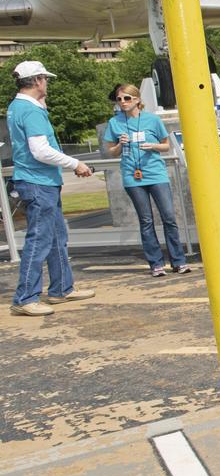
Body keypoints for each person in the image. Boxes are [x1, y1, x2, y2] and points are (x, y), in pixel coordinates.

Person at [8, 60, 95, 316]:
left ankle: (61, 288)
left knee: (57, 237)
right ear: (37, 81)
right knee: (41, 240)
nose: (47, 83)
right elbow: (40, 150)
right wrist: (75, 162)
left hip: (40, 181)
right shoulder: (31, 111)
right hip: (39, 182)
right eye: (45, 79)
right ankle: (25, 297)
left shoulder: (20, 107)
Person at [104, 83, 192, 277]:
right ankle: (156, 264)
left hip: (155, 174)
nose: (123, 103)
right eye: (119, 99)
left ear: (137, 100)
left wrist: (153, 146)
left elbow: (166, 145)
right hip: (132, 176)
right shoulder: (115, 123)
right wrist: (119, 145)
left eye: (127, 98)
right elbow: (110, 151)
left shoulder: (152, 120)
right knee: (146, 220)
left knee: (169, 217)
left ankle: (178, 261)